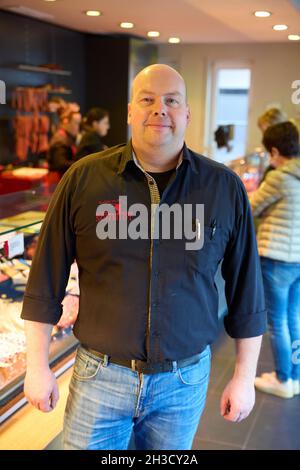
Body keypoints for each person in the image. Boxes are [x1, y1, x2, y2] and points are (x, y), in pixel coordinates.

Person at [21, 64, 266, 450]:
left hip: (183, 382)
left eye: (171, 101)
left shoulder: (223, 188)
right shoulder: (84, 179)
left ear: (187, 113)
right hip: (99, 376)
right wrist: (37, 365)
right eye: (148, 100)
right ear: (131, 111)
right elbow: (44, 279)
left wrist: (244, 376)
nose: (160, 110)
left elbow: (247, 293)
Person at [250, 121, 300, 399]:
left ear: (275, 150)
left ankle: (282, 379)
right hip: (297, 260)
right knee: (294, 317)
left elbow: (251, 206)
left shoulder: (279, 177)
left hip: (277, 258)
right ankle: (293, 377)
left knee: (277, 322)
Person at [47, 105, 81, 174]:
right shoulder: (60, 139)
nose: (78, 127)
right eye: (76, 123)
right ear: (66, 122)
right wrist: (80, 164)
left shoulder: (68, 137)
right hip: (58, 180)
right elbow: (60, 164)